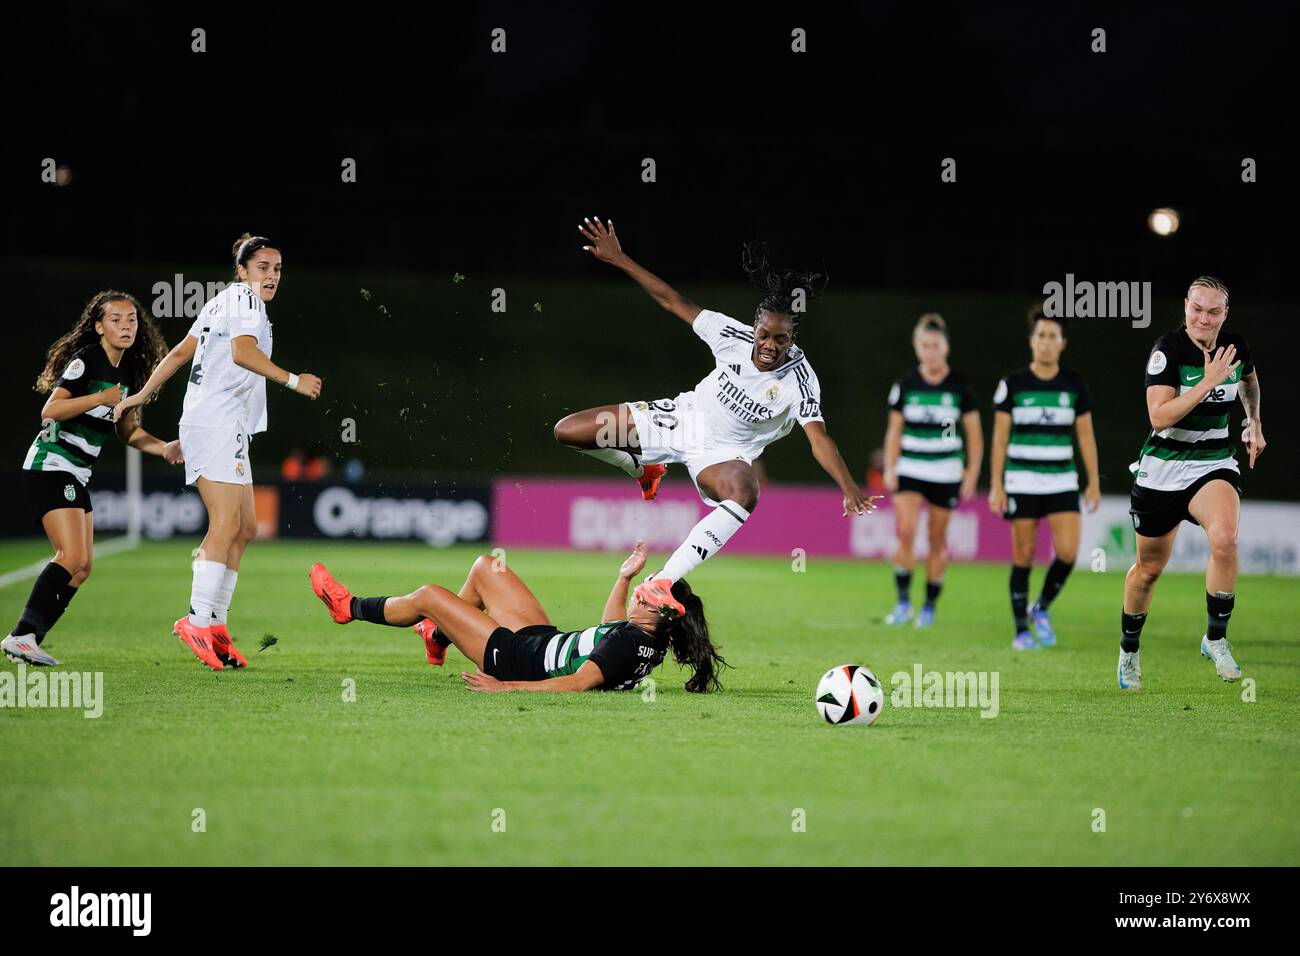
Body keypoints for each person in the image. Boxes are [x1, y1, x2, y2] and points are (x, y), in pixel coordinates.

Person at [554, 217, 876, 613]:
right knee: (568, 431)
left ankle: (663, 581)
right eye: (764, 335)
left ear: (794, 339)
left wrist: (847, 486)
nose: (769, 346)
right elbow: (672, 300)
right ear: (754, 328)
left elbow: (819, 439)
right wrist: (620, 259)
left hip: (722, 455)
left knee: (745, 492)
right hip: (678, 420)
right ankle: (643, 468)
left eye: (781, 339)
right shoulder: (731, 336)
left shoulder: (800, 380)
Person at [114, 235, 323, 670]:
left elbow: (178, 353)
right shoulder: (245, 300)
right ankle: (196, 620)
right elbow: (242, 353)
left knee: (245, 526)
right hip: (215, 421)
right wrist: (292, 380)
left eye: (278, 268)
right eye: (263, 267)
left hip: (222, 423)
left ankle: (217, 626)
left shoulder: (222, 301)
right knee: (226, 523)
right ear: (243, 270)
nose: (271, 276)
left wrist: (141, 396)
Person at [4, 291, 182, 666]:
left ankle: (29, 639)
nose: (126, 326)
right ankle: (21, 635)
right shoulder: (87, 361)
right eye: (116, 320)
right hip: (50, 465)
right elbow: (50, 410)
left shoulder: (129, 372)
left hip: (76, 472)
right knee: (69, 556)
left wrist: (163, 448)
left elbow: (128, 431)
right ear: (98, 327)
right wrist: (98, 400)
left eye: (131, 319)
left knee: (82, 567)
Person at [309, 541, 727, 693]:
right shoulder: (648, 638)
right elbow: (608, 630)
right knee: (486, 567)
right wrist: (622, 578)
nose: (640, 590)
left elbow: (577, 683)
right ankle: (437, 639)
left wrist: (504, 687)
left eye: (646, 589)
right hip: (541, 641)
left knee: (429, 596)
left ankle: (349, 608)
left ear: (660, 610)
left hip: (513, 657)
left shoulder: (630, 640)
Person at [1118, 276, 1263, 690]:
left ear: (1225, 314)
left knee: (1225, 540)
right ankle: (1129, 651)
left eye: (1213, 311)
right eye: (1197, 309)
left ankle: (1215, 638)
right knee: (1148, 571)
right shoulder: (1167, 350)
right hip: (1162, 469)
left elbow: (1249, 382)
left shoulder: (1236, 349)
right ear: (1185, 307)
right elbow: (1159, 416)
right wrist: (1206, 383)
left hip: (1212, 462)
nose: (1204, 318)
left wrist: (1253, 421)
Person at [988, 305, 1100, 650]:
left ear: (1063, 343)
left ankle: (1041, 608)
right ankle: (1021, 630)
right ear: (1031, 341)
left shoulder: (1074, 385)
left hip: (1062, 480)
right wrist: (997, 484)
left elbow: (1085, 436)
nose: (1046, 342)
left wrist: (1093, 480)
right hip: (1022, 480)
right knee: (1023, 555)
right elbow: (1000, 438)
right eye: (1041, 336)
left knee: (1068, 552)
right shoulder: (1013, 384)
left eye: (1053, 336)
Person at [881, 313, 982, 627]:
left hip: (946, 471)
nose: (930, 351)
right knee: (907, 531)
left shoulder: (959, 387)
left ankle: (928, 606)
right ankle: (902, 603)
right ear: (917, 347)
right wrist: (890, 466)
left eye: (935, 345)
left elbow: (975, 434)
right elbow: (894, 431)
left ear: (946, 347)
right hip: (910, 467)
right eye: (924, 345)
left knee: (937, 539)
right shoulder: (906, 384)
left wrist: (971, 472)